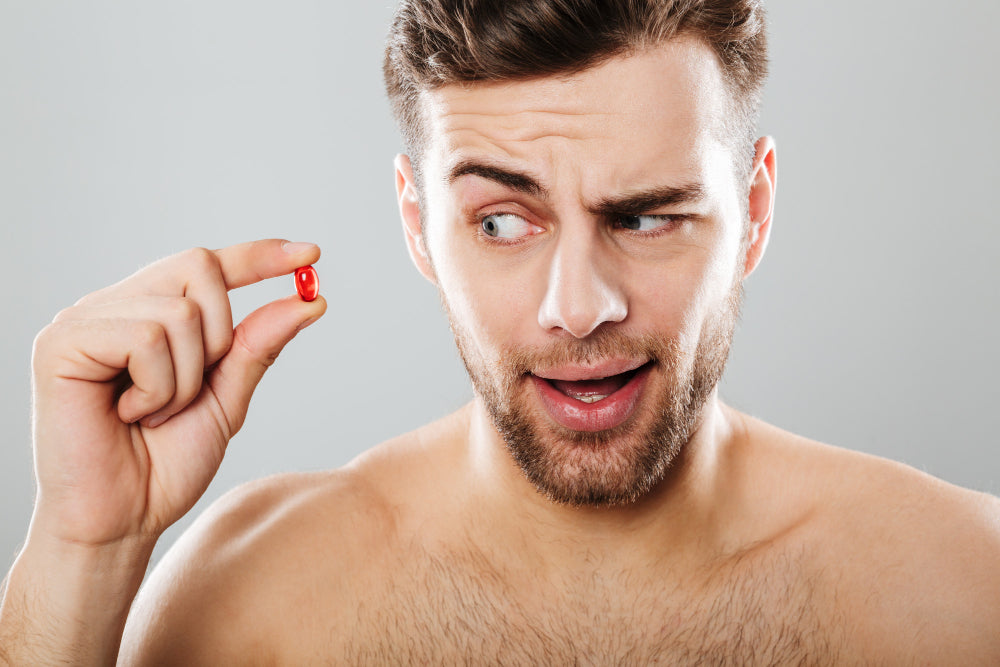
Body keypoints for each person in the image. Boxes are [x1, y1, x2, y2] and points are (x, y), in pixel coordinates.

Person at [1, 0, 998, 663]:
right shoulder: (253, 604)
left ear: (756, 210)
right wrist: (85, 545)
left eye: (645, 215)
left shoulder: (960, 588)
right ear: (416, 224)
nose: (577, 305)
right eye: (502, 220)